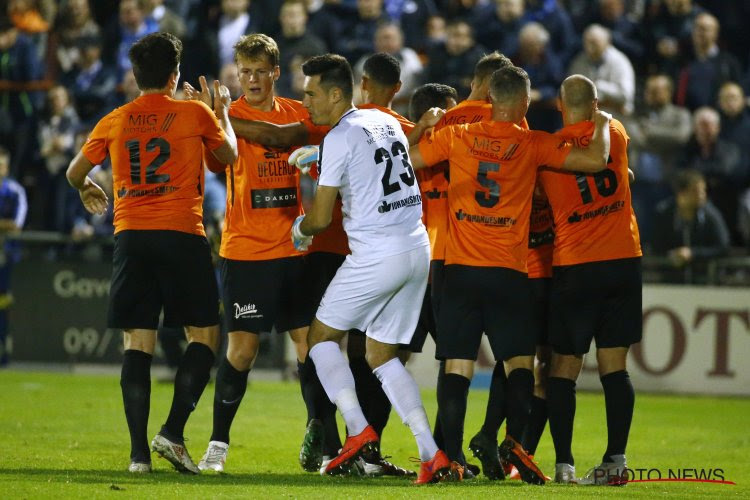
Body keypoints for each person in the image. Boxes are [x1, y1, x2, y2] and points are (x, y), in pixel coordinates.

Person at [410, 66, 612, 485]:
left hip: (460, 271)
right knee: (519, 366)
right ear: (521, 102)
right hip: (508, 273)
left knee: (457, 369)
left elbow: (408, 160)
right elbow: (596, 160)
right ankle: (511, 445)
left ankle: (450, 457)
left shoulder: (457, 136)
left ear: (490, 100)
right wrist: (604, 124)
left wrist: (421, 127)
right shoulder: (532, 142)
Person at [66, 32, 238, 474]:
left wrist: (85, 187)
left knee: (136, 342)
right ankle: (173, 432)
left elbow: (74, 172)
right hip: (182, 234)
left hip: (132, 238)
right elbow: (228, 155)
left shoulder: (115, 118)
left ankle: (139, 456)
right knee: (206, 337)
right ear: (175, 74)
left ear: (134, 76)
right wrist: (220, 112)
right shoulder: (194, 111)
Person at [290, 53, 463, 485]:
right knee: (380, 355)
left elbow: (322, 218)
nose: (305, 100)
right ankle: (430, 452)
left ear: (335, 94)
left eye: (311, 93)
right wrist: (320, 153)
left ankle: (356, 428)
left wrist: (299, 228)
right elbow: (384, 158)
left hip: (377, 253)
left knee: (320, 338)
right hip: (416, 248)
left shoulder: (340, 136)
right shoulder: (382, 122)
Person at [185, 34, 328, 474]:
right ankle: (218, 443)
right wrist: (216, 120)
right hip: (245, 251)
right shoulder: (228, 118)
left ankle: (319, 438)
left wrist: (218, 114)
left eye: (259, 71)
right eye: (244, 71)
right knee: (242, 350)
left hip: (293, 248)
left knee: (309, 346)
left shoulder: (295, 113)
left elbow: (297, 146)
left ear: (275, 74)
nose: (251, 79)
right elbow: (214, 164)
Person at [538, 75, 641, 484]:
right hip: (623, 261)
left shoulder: (549, 151)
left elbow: (544, 196)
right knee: (615, 364)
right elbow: (624, 175)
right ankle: (616, 460)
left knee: (564, 366)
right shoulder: (614, 130)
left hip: (575, 265)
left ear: (561, 106)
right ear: (596, 103)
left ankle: (564, 465)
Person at [651, 169, 730, 284]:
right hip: (671, 284)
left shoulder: (711, 215)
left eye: (703, 191)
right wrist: (672, 256)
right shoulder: (664, 214)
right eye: (696, 191)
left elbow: (723, 247)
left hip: (706, 283)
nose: (702, 196)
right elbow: (656, 247)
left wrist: (693, 253)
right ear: (681, 194)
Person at [0, 146, 27, 367]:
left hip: (7, 256)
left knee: (4, 305)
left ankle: (4, 352)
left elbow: (16, 225)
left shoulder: (15, 190)